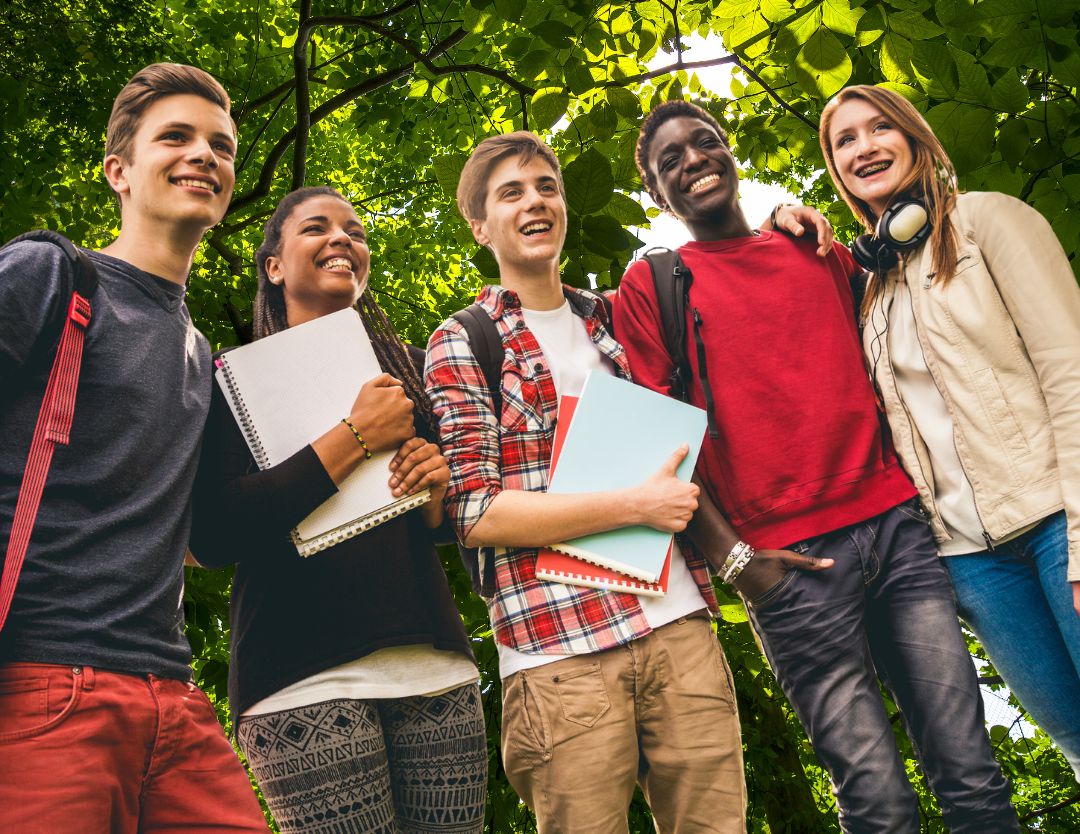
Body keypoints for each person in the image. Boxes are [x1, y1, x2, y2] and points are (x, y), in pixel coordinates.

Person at [614, 99, 1020, 834]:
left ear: (729, 152)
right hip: (788, 570)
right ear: (655, 194)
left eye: (703, 144)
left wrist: (797, 214)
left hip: (898, 535)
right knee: (878, 803)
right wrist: (737, 561)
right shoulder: (652, 285)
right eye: (669, 160)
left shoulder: (816, 251)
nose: (692, 161)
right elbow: (655, 446)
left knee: (972, 777)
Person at [425, 130, 824, 834]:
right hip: (558, 655)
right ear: (480, 225)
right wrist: (635, 506)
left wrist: (783, 223)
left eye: (546, 187)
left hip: (677, 630)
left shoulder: (617, 314)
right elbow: (474, 512)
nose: (535, 202)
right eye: (511, 193)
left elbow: (732, 308)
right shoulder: (464, 339)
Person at [0, 64, 268, 832]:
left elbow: (211, 538)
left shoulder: (199, 350)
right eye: (176, 137)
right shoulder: (53, 273)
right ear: (119, 170)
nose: (204, 156)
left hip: (175, 703)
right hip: (47, 683)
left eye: (221, 146)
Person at [189, 185, 487, 834]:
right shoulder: (230, 380)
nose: (342, 238)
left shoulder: (410, 371)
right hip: (299, 670)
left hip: (432, 659)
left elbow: (440, 526)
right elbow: (210, 535)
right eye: (315, 228)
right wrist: (353, 438)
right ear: (273, 266)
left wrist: (435, 493)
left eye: (354, 229)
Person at [820, 83, 1080, 781]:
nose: (864, 147)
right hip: (974, 563)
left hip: (1058, 519)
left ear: (914, 137)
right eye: (845, 140)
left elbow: (1070, 372)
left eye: (879, 129)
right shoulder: (870, 292)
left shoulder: (990, 222)